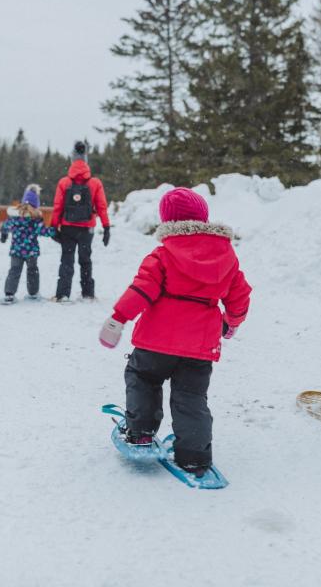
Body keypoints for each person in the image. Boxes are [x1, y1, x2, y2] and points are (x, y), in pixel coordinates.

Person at [98, 187, 252, 477]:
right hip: (200, 345)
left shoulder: (164, 253)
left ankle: (140, 433)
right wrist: (232, 322)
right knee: (191, 396)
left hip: (155, 341)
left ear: (167, 221)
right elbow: (239, 296)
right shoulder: (226, 256)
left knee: (143, 379)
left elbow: (141, 290)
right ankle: (194, 455)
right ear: (204, 218)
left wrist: (118, 318)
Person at [50, 141, 110, 302]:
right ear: (86, 161)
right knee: (85, 260)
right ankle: (88, 293)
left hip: (68, 228)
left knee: (66, 260)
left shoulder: (64, 182)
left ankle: (63, 294)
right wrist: (106, 227)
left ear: (71, 161)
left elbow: (57, 206)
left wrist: (53, 227)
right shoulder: (95, 183)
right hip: (86, 229)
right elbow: (102, 206)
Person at [0, 185, 55, 304]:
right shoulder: (35, 218)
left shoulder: (14, 216)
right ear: (36, 204)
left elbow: (5, 226)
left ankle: (9, 294)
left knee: (14, 271)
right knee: (32, 271)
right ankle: (33, 293)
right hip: (31, 251)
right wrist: (55, 231)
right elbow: (42, 231)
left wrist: (4, 234)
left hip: (16, 251)